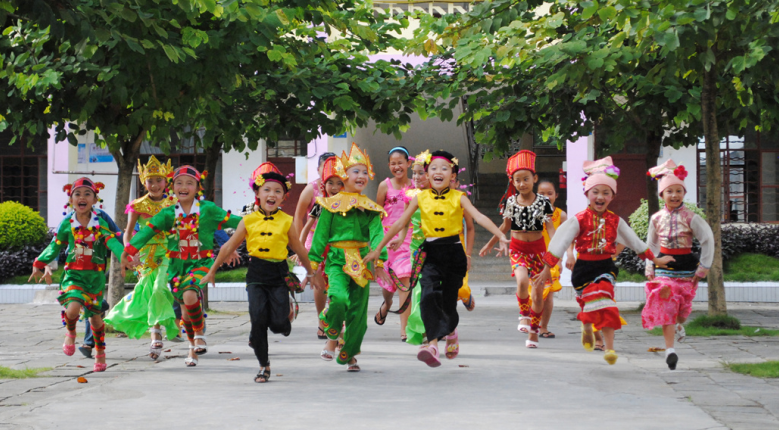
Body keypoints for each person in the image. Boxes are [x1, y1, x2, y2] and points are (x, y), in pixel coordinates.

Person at [366, 150, 509, 368]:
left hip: (453, 253)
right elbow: (399, 224)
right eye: (433, 168)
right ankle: (431, 344)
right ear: (427, 174)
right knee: (427, 296)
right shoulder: (419, 197)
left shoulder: (459, 197)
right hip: (429, 253)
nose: (438, 172)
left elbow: (479, 217)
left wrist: (499, 235)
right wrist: (378, 248)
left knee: (448, 303)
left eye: (444, 168)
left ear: (452, 175)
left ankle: (451, 332)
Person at [535, 157, 674, 365]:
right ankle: (587, 328)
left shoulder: (615, 221)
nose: (600, 196)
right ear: (587, 194)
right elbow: (560, 241)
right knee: (589, 304)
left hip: (605, 268)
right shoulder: (578, 219)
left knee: (606, 304)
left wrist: (655, 260)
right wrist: (547, 268)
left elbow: (634, 242)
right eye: (595, 192)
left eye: (605, 192)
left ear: (612, 196)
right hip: (583, 270)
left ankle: (609, 348)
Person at [201, 162, 324, 383]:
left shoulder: (286, 221)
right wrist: (212, 271)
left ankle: (286, 315)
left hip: (278, 275)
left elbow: (299, 249)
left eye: (278, 191)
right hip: (256, 274)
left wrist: (311, 273)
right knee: (257, 319)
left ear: (283, 197)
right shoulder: (248, 220)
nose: (272, 194)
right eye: (266, 189)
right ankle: (263, 365)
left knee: (278, 325)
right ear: (257, 193)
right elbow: (228, 247)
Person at [122, 165, 241, 367]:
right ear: (173, 187)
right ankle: (192, 348)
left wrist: (259, 224)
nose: (183, 187)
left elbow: (238, 222)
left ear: (197, 187)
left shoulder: (208, 210)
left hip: (201, 263)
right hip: (176, 268)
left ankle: (201, 334)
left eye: (189, 183)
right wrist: (128, 252)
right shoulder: (168, 214)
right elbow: (145, 233)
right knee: (185, 312)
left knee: (190, 296)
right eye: (179, 183)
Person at [308, 143, 389, 372]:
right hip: (336, 259)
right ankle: (329, 322)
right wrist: (312, 267)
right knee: (339, 299)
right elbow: (320, 237)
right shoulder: (329, 205)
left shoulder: (371, 208)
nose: (361, 176)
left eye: (365, 172)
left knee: (358, 316)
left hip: (362, 262)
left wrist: (380, 261)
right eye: (356, 171)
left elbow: (377, 234)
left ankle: (349, 353)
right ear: (345, 175)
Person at [29, 178, 124, 372]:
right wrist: (39, 262)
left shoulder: (101, 220)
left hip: (95, 277)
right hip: (73, 274)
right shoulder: (67, 222)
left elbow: (111, 241)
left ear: (95, 199)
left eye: (87, 194)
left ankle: (100, 352)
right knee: (72, 307)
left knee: (96, 319)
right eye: (77, 194)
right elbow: (55, 245)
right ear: (71, 199)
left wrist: (125, 256)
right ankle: (71, 332)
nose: (82, 198)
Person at [104, 156, 179, 360]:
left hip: (168, 251)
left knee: (159, 288)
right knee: (147, 292)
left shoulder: (174, 202)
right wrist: (130, 252)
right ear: (143, 182)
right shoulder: (138, 205)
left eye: (158, 180)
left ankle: (174, 325)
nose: (154, 185)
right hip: (145, 254)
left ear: (166, 181)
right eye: (150, 181)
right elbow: (128, 232)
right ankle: (156, 334)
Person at [480, 150, 556, 348]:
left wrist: (555, 251)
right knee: (522, 281)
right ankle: (524, 315)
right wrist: (491, 243)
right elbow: (505, 226)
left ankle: (534, 333)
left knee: (538, 294)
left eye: (526, 179)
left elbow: (550, 228)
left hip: (538, 251)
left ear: (534, 179)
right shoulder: (510, 202)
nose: (522, 183)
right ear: (513, 182)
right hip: (518, 249)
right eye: (518, 180)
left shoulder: (543, 202)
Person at [643, 160, 714, 370]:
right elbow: (651, 244)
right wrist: (650, 266)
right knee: (667, 299)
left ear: (684, 193)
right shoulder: (656, 218)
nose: (674, 195)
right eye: (669, 191)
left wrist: (703, 268)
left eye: (678, 191)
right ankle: (670, 350)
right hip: (664, 267)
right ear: (661, 195)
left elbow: (707, 239)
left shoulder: (692, 218)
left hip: (687, 268)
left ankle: (679, 325)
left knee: (681, 309)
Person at [294, 152, 337, 339]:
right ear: (319, 168)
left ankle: (336, 319)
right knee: (319, 281)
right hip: (316, 240)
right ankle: (321, 321)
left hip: (338, 241)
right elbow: (299, 217)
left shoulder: (344, 189)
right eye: (325, 166)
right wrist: (300, 247)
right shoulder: (312, 190)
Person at [374, 146, 414, 341]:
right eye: (393, 163)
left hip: (408, 238)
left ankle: (404, 328)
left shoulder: (415, 186)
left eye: (400, 162)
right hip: (387, 238)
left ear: (408, 163)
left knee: (405, 279)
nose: (397, 166)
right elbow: (377, 214)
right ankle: (387, 304)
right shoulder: (384, 185)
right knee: (389, 285)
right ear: (389, 165)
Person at [535, 179, 571, 339]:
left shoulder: (560, 215)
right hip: (532, 257)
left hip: (551, 259)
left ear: (556, 196)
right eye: (541, 194)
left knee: (548, 294)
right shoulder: (530, 211)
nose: (546, 197)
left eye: (549, 193)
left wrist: (565, 257)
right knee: (534, 294)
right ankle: (531, 321)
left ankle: (543, 327)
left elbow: (568, 237)